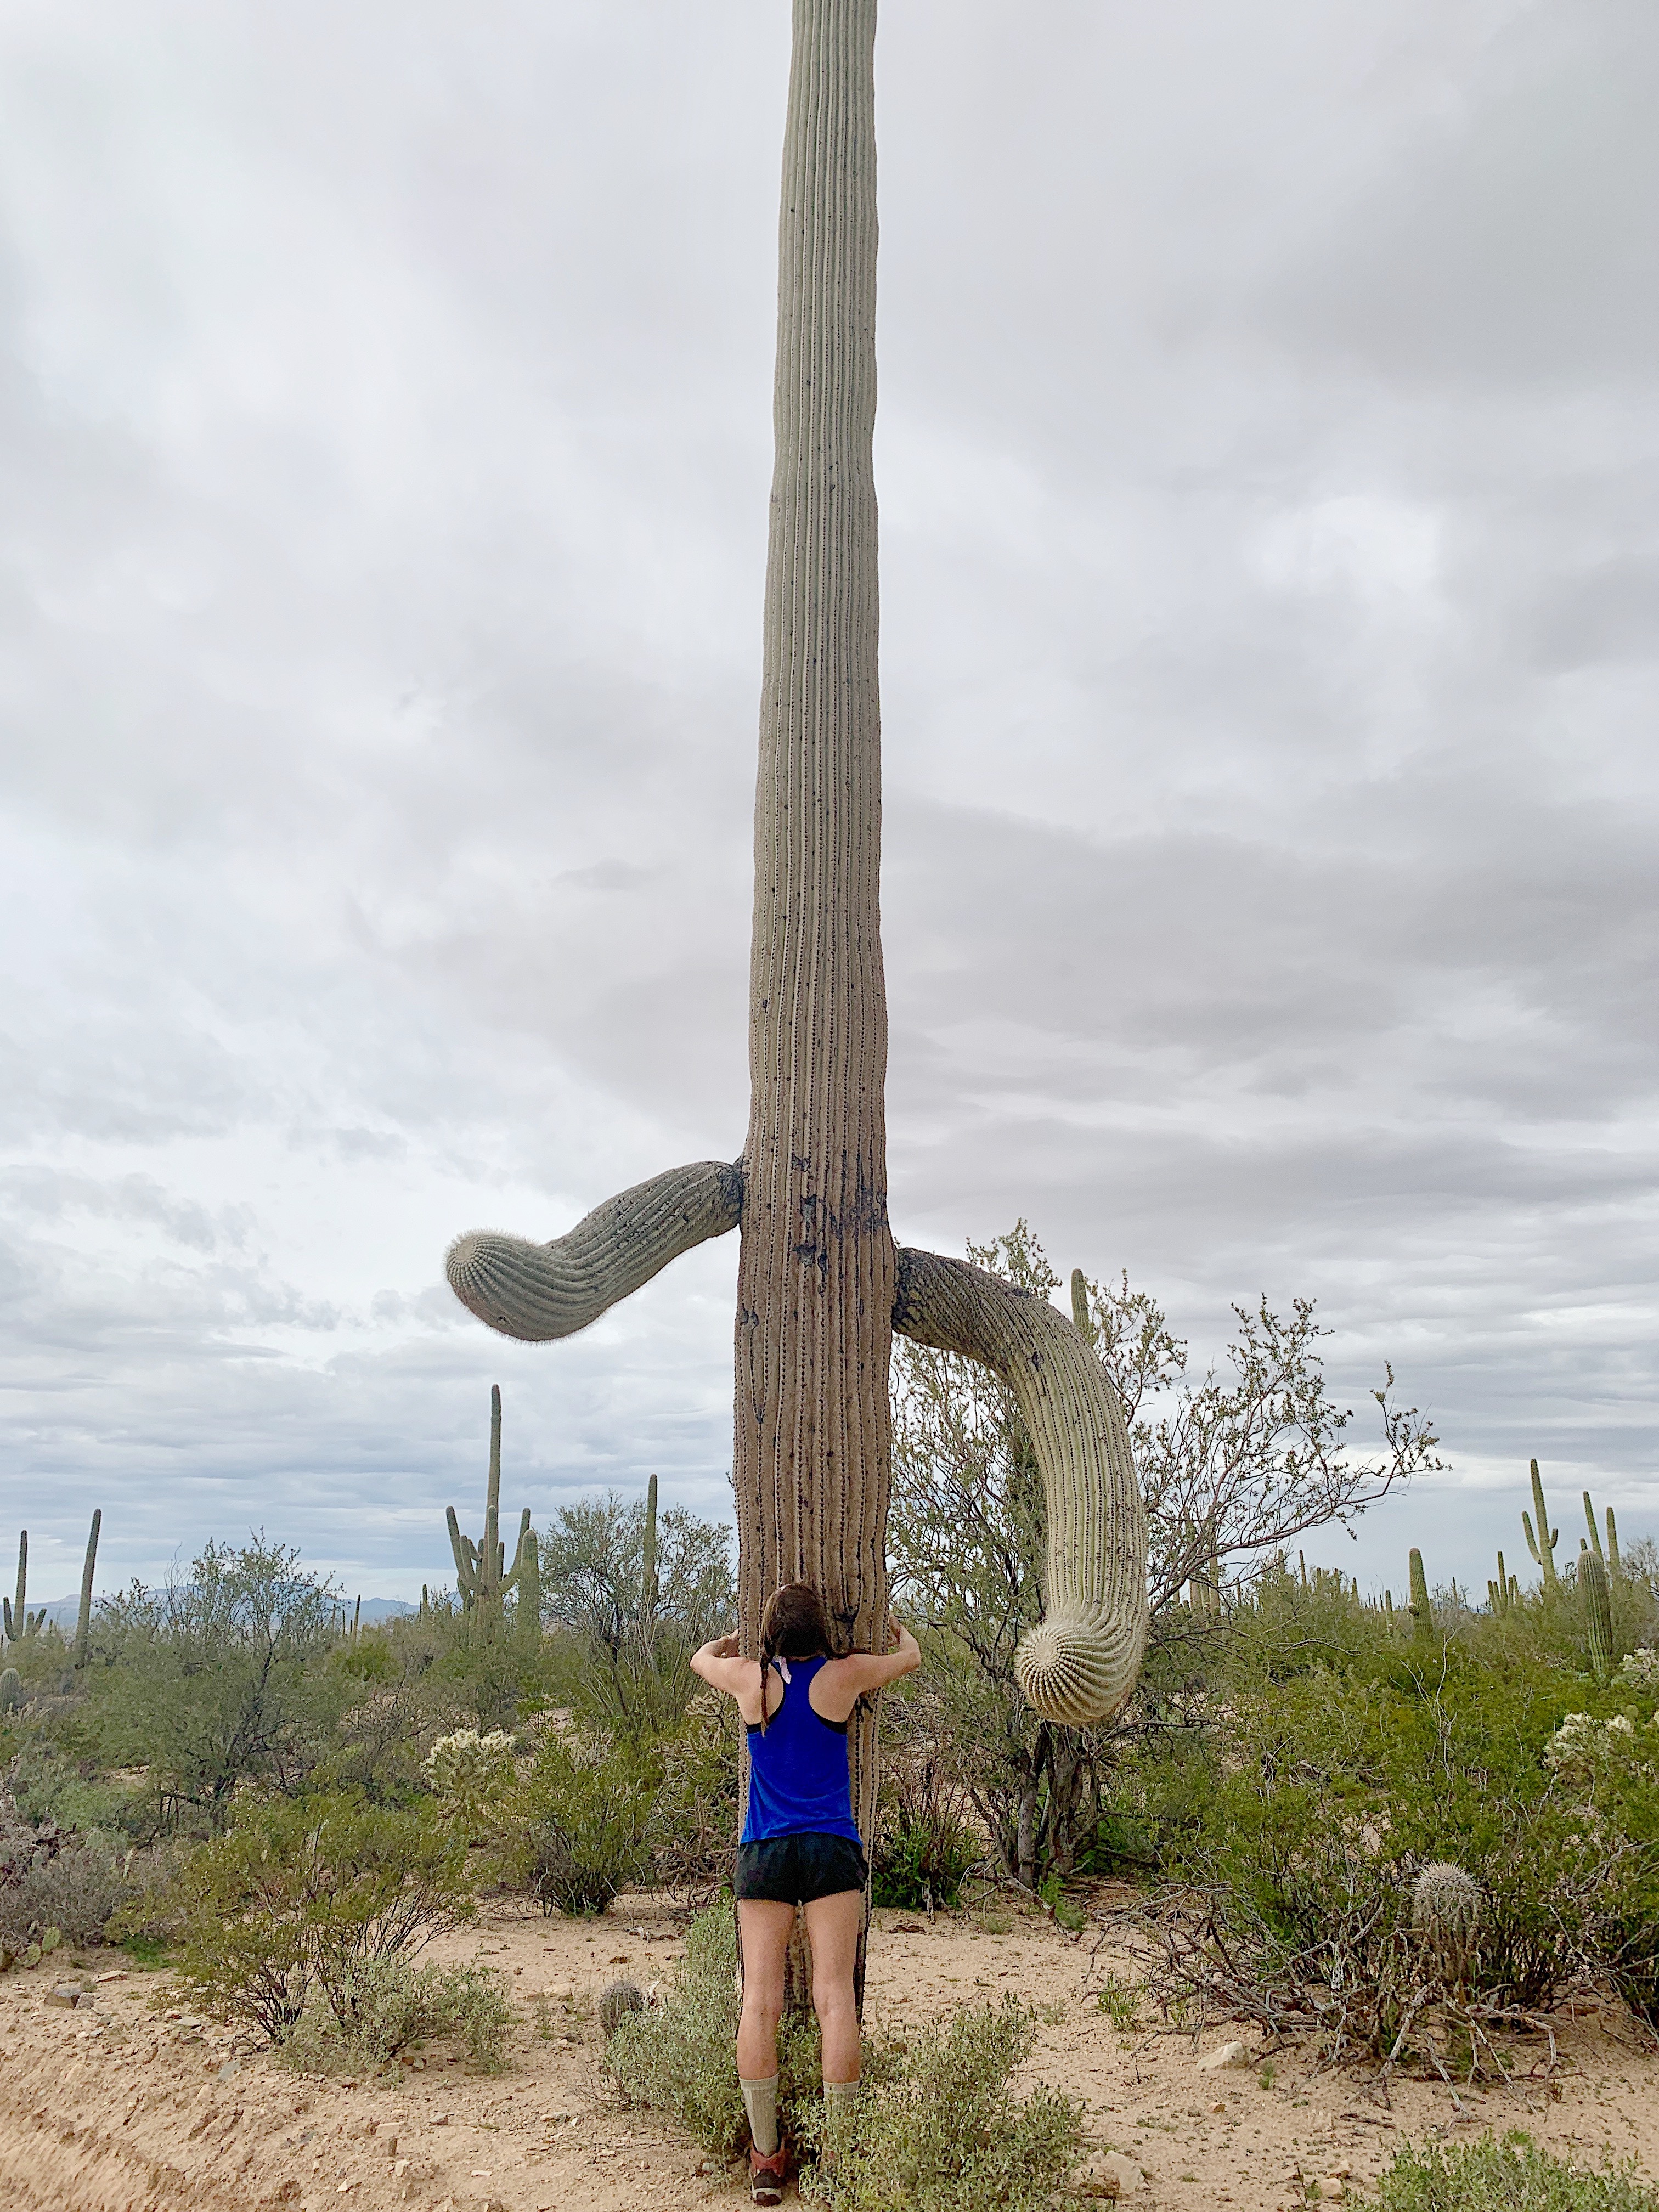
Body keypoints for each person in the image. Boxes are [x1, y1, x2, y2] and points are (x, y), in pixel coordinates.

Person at [690, 1582, 921, 2205]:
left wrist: (736, 1643)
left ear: (773, 1633)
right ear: (821, 1628)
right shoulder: (842, 1678)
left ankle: (767, 2159)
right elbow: (912, 1659)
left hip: (764, 1854)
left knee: (759, 2001)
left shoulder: (750, 1681)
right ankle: (840, 2158)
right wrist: (896, 1631)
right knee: (834, 2000)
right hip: (830, 1850)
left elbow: (698, 1660)